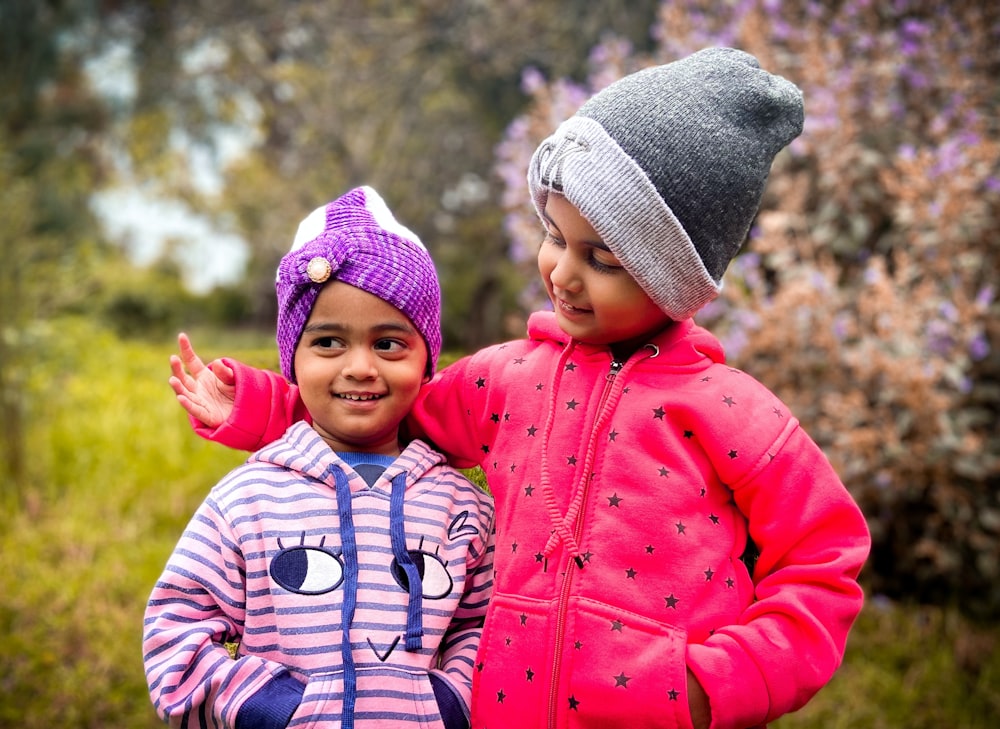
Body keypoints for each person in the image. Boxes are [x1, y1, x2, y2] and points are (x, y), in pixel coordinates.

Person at [169, 49, 871, 729]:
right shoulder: (504, 378)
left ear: (674, 277)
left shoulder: (732, 410)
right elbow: (388, 408)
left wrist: (716, 681)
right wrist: (262, 405)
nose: (562, 272)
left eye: (601, 258)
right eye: (554, 234)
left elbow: (824, 557)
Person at [145, 186, 496, 729]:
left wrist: (449, 704)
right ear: (293, 359)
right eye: (328, 342)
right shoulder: (248, 500)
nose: (359, 367)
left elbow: (488, 628)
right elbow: (176, 628)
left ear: (428, 360)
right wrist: (272, 709)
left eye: (388, 344)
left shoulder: (463, 507)